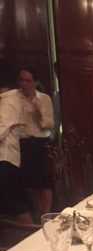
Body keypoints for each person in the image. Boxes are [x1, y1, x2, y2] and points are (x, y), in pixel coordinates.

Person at [17, 66, 55, 218]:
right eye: (21, 80)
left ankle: (46, 216)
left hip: (41, 143)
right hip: (23, 143)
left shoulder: (44, 99)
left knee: (44, 182)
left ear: (36, 82)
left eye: (28, 81)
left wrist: (39, 113)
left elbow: (50, 124)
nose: (24, 84)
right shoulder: (14, 98)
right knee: (28, 183)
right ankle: (35, 214)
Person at [0, 62, 33, 223]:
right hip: (8, 157)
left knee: (12, 201)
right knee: (11, 201)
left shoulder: (9, 100)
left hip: (5, 158)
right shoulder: (10, 98)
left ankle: (34, 232)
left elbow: (1, 130)